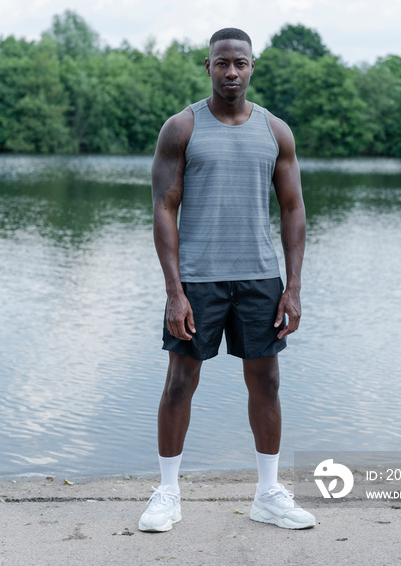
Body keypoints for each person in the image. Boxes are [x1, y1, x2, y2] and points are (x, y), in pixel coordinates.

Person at [139, 28, 314, 532]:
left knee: (268, 383)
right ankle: (167, 494)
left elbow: (293, 208)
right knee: (179, 383)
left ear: (252, 66)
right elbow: (163, 209)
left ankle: (268, 495)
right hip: (198, 280)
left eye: (240, 63)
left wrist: (294, 287)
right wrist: (174, 291)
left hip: (260, 278)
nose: (231, 72)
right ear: (209, 67)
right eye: (222, 63)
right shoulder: (182, 128)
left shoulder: (275, 131)